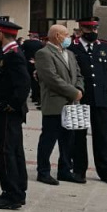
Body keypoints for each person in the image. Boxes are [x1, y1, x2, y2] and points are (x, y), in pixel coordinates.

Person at [68, 17, 107, 184]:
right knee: (78, 137)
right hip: (80, 99)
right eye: (88, 29)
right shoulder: (72, 48)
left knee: (103, 137)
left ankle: (105, 171)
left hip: (101, 99)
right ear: (80, 29)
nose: (92, 32)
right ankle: (79, 170)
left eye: (94, 29)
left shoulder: (106, 48)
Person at [0, 19, 30, 210]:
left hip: (7, 112)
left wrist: (11, 105)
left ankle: (11, 194)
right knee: (14, 151)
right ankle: (18, 190)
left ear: (2, 35)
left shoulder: (13, 55)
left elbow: (23, 84)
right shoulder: (11, 52)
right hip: (9, 111)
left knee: (6, 152)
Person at [33, 24, 83, 186]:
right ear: (56, 36)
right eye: (66, 35)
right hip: (55, 103)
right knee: (49, 138)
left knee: (68, 139)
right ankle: (43, 171)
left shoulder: (69, 53)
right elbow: (52, 79)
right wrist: (72, 92)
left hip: (72, 103)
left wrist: (80, 89)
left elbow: (78, 74)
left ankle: (65, 170)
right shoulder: (44, 53)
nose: (69, 38)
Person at [21, 30, 44, 108]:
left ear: (32, 36)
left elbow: (21, 50)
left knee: (27, 80)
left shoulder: (27, 43)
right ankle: (35, 96)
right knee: (36, 81)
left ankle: (26, 94)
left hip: (28, 63)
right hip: (37, 63)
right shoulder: (41, 44)